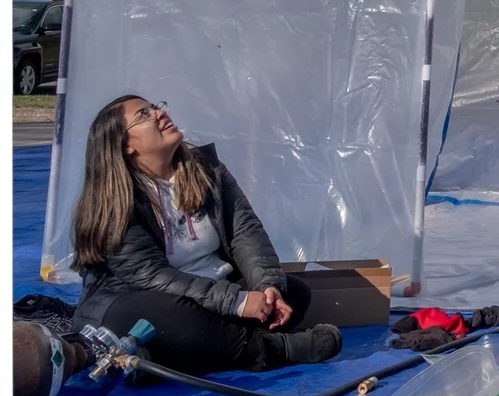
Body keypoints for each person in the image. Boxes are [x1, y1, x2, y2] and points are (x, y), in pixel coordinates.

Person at [70, 95, 343, 375]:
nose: (159, 114)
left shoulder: (207, 169)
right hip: (144, 300)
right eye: (144, 115)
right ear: (125, 145)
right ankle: (276, 349)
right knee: (171, 318)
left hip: (212, 291)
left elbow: (245, 232)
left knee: (294, 293)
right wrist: (236, 302)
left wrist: (267, 287)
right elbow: (151, 276)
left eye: (155, 108)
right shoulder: (114, 201)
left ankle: (165, 359)